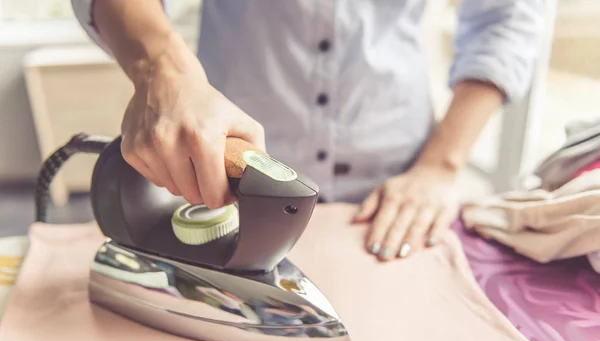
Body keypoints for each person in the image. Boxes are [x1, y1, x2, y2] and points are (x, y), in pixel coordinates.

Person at [72, 0, 544, 261]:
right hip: (214, 164)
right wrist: (163, 71)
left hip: (396, 179)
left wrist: (441, 165)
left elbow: (510, 14)